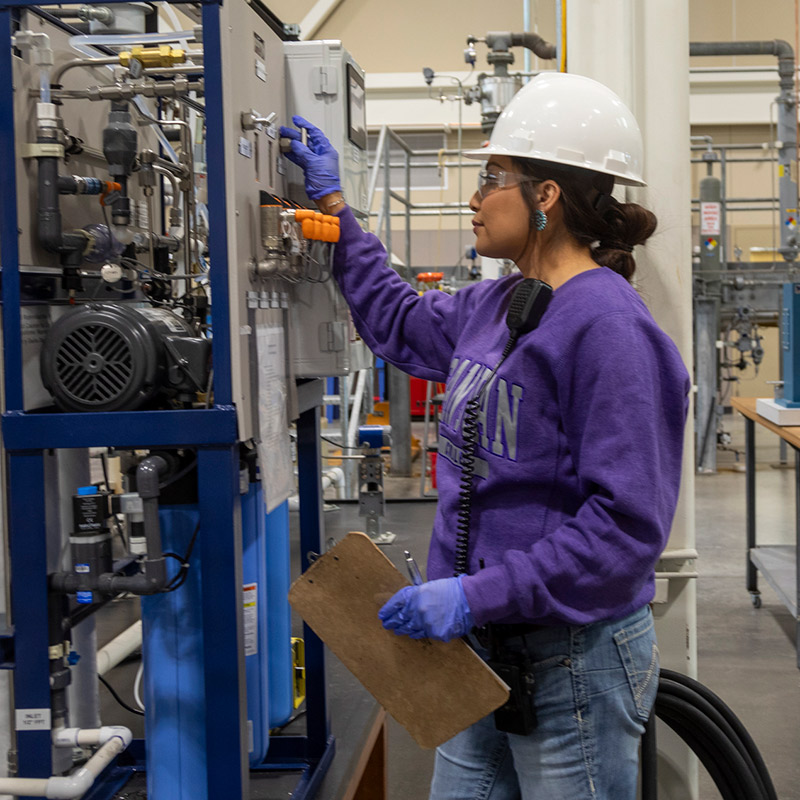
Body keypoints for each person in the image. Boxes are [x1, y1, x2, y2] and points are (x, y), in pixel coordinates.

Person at [281, 71, 690, 800]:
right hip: (472, 651)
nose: (473, 197)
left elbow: (625, 529)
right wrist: (337, 211)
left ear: (546, 197)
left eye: (491, 176)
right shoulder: (496, 304)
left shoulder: (611, 328)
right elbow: (401, 322)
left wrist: (478, 593)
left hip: (568, 662)